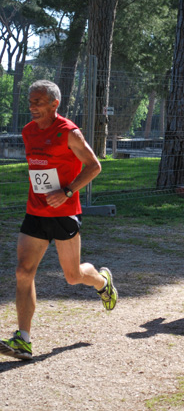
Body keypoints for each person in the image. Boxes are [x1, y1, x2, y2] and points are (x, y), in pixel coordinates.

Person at [0, 80, 117, 361]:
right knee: (23, 272)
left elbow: (94, 166)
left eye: (38, 102)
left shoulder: (68, 132)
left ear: (55, 104)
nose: (32, 107)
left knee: (73, 275)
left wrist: (66, 191)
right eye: (30, 101)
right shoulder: (28, 132)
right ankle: (23, 339)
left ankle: (102, 282)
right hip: (35, 211)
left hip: (64, 212)